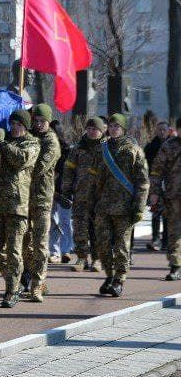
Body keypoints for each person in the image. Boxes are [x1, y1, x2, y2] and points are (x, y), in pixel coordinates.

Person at [0, 109, 40, 308]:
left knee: (14, 251)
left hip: (18, 206)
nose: (15, 128)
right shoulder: (0, 141)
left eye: (19, 125)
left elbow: (20, 160)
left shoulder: (31, 143)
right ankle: (13, 282)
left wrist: (2, 143)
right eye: (13, 124)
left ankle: (11, 290)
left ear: (25, 127)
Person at [92, 113, 149, 297]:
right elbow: (95, 178)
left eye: (117, 126)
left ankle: (119, 279)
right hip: (103, 206)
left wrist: (139, 207)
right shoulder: (102, 149)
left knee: (121, 246)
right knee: (102, 244)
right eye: (111, 125)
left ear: (123, 128)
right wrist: (92, 202)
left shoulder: (133, 149)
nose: (113, 129)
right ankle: (109, 276)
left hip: (124, 207)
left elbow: (142, 181)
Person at [21, 104, 62, 302]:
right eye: (35, 121)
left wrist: (20, 161)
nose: (38, 125)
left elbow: (38, 167)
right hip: (23, 198)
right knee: (24, 242)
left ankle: (37, 285)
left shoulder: (51, 141)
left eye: (42, 121)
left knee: (40, 244)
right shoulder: (28, 137)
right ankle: (29, 276)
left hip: (42, 199)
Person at [63, 116, 105, 272]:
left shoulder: (106, 149)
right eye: (89, 129)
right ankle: (81, 258)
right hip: (81, 195)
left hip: (100, 197)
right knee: (80, 228)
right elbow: (69, 170)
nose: (91, 132)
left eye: (95, 129)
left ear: (101, 131)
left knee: (98, 229)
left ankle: (97, 259)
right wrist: (66, 189)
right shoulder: (78, 148)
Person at [150, 117, 181, 281]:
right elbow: (156, 171)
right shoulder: (168, 146)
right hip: (173, 197)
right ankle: (176, 266)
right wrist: (154, 192)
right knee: (174, 232)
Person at [50, 128, 75, 264]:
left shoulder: (68, 152)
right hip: (48, 192)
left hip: (64, 192)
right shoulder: (45, 147)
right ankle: (54, 251)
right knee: (51, 221)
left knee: (65, 221)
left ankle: (66, 250)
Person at [145, 120, 171, 252]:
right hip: (155, 184)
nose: (161, 132)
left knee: (167, 213)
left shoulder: (174, 145)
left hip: (171, 185)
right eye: (159, 129)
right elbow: (145, 166)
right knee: (155, 212)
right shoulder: (150, 147)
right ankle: (155, 238)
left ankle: (166, 240)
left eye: (164, 130)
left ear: (169, 131)